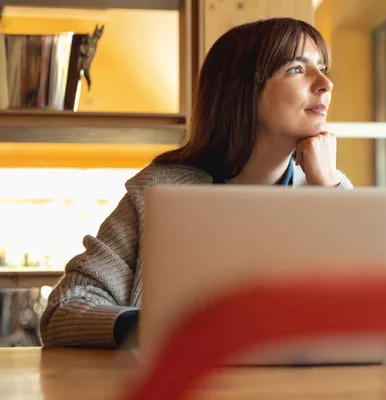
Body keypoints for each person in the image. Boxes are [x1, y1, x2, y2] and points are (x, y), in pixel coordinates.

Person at [39, 17, 353, 348]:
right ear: (242, 90)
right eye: (297, 69)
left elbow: (367, 311)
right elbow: (62, 311)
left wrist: (330, 192)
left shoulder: (329, 187)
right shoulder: (157, 192)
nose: (325, 84)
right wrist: (164, 327)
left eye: (322, 68)